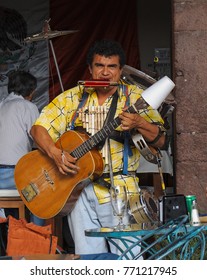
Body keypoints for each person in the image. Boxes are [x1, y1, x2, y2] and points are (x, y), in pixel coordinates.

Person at [30, 39, 167, 255]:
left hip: (123, 192)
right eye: (99, 66)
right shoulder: (73, 98)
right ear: (90, 69)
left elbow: (160, 141)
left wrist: (139, 123)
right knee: (88, 260)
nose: (105, 72)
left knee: (128, 259)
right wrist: (56, 154)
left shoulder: (136, 97)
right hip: (79, 191)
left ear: (120, 70)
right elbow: (38, 129)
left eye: (111, 66)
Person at [0, 70, 44, 225]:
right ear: (31, 92)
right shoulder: (28, 107)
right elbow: (40, 140)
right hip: (14, 176)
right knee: (41, 195)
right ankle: (37, 238)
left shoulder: (1, 105)